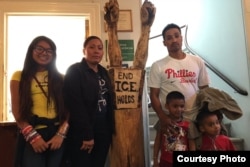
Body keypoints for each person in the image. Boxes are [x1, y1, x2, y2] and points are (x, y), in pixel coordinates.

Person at [10, 36, 69, 167]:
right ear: (31, 51)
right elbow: (16, 110)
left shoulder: (61, 78)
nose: (44, 53)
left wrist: (61, 134)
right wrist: (33, 138)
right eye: (39, 49)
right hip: (33, 132)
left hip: (56, 134)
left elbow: (68, 110)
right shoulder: (18, 76)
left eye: (49, 50)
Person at [148, 23, 210, 136]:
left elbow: (205, 90)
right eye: (169, 38)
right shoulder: (158, 66)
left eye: (177, 36)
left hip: (195, 118)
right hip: (171, 121)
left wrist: (205, 114)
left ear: (181, 38)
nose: (174, 40)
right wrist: (162, 117)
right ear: (164, 43)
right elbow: (154, 95)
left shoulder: (197, 61)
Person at [63, 35, 115, 167]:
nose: (96, 51)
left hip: (103, 129)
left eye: (100, 48)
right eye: (92, 47)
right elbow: (75, 105)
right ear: (84, 51)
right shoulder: (75, 71)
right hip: (82, 130)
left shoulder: (104, 72)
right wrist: (87, 134)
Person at [153, 91, 196, 167]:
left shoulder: (188, 125)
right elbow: (157, 141)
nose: (179, 109)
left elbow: (192, 144)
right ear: (167, 106)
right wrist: (155, 159)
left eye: (182, 106)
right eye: (175, 106)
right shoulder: (162, 122)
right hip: (165, 161)